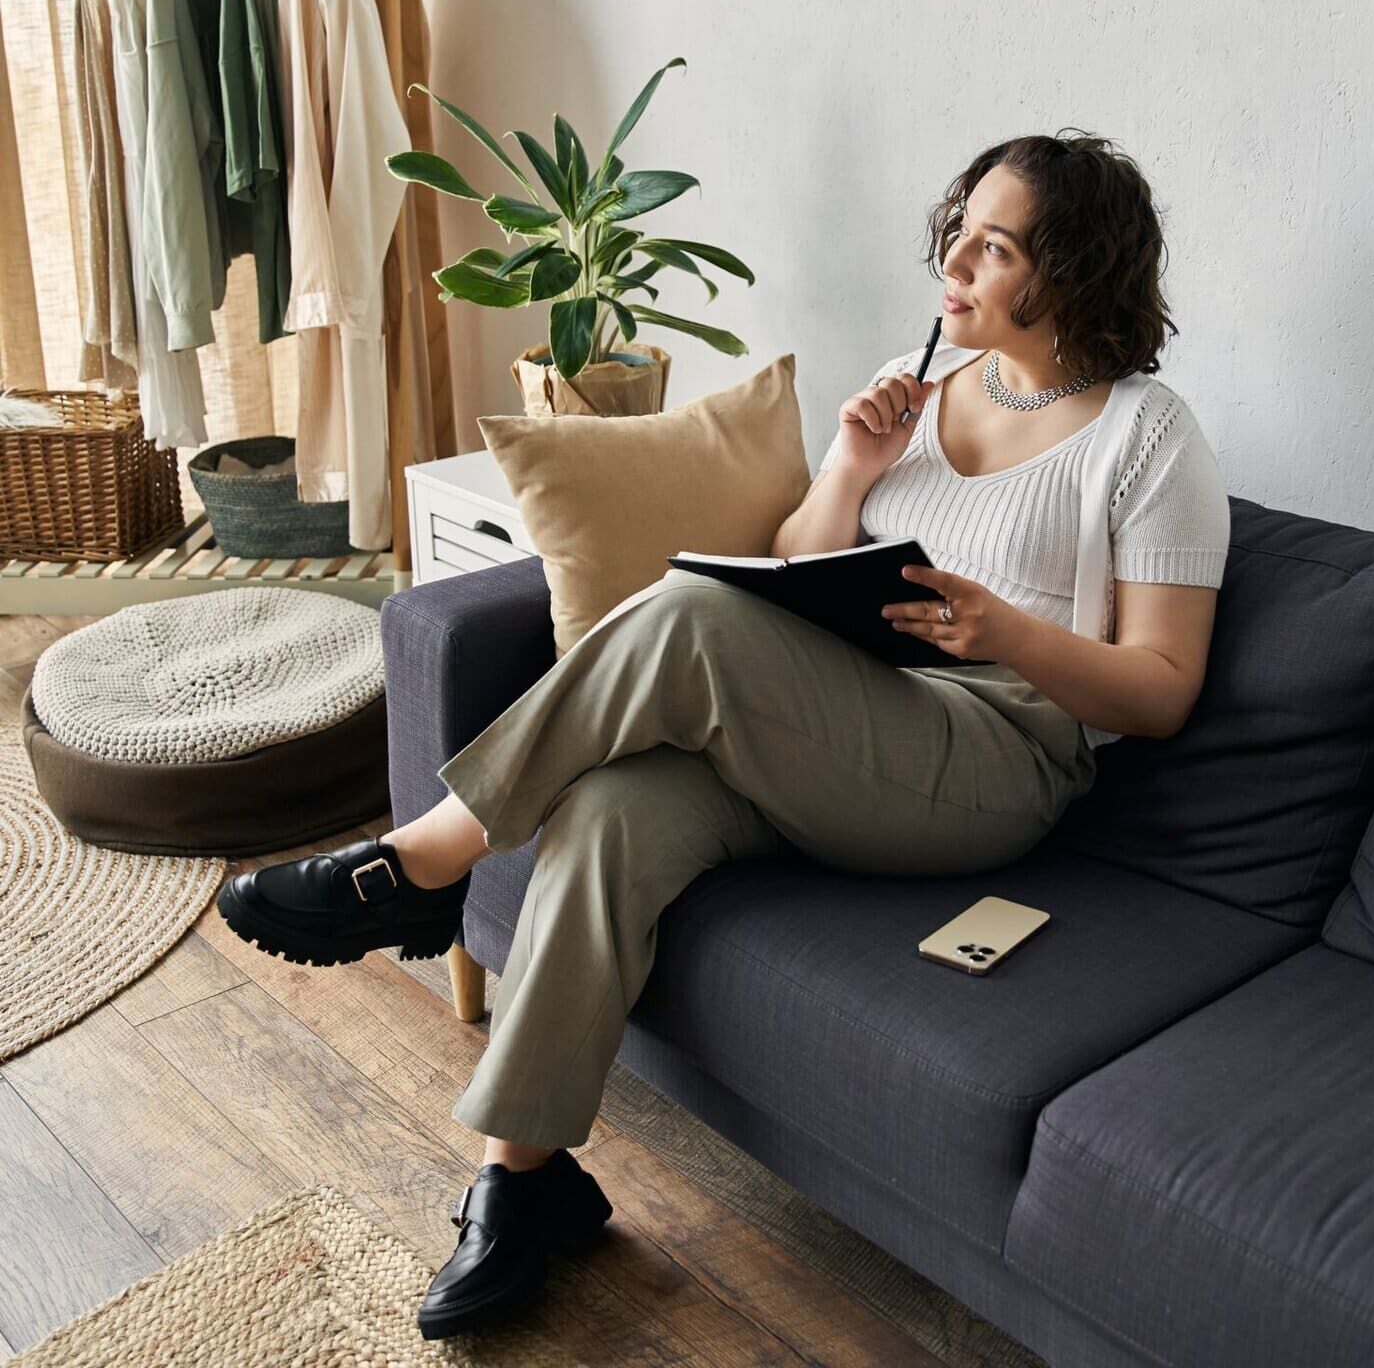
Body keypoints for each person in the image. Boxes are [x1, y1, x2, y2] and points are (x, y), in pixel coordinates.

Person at [216, 129, 1231, 1341]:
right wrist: (854, 466)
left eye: (992, 246)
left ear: (1071, 268)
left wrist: (1006, 632)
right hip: (845, 728)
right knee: (612, 807)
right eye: (955, 231)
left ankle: (430, 855)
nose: (951, 262)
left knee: (695, 611)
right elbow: (811, 560)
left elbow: (1162, 688)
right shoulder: (925, 392)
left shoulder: (1147, 436)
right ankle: (520, 1182)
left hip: (998, 761)